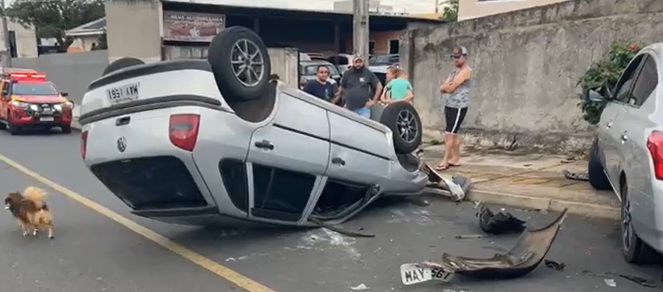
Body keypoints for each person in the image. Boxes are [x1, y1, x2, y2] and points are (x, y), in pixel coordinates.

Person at [437, 46, 472, 171]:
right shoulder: (453, 72)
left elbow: (451, 88)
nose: (455, 60)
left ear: (464, 57)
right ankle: (455, 158)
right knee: (454, 134)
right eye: (454, 57)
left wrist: (447, 86)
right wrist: (446, 86)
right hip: (449, 105)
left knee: (449, 134)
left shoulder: (466, 71)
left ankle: (445, 160)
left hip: (458, 107)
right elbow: (442, 88)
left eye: (458, 57)